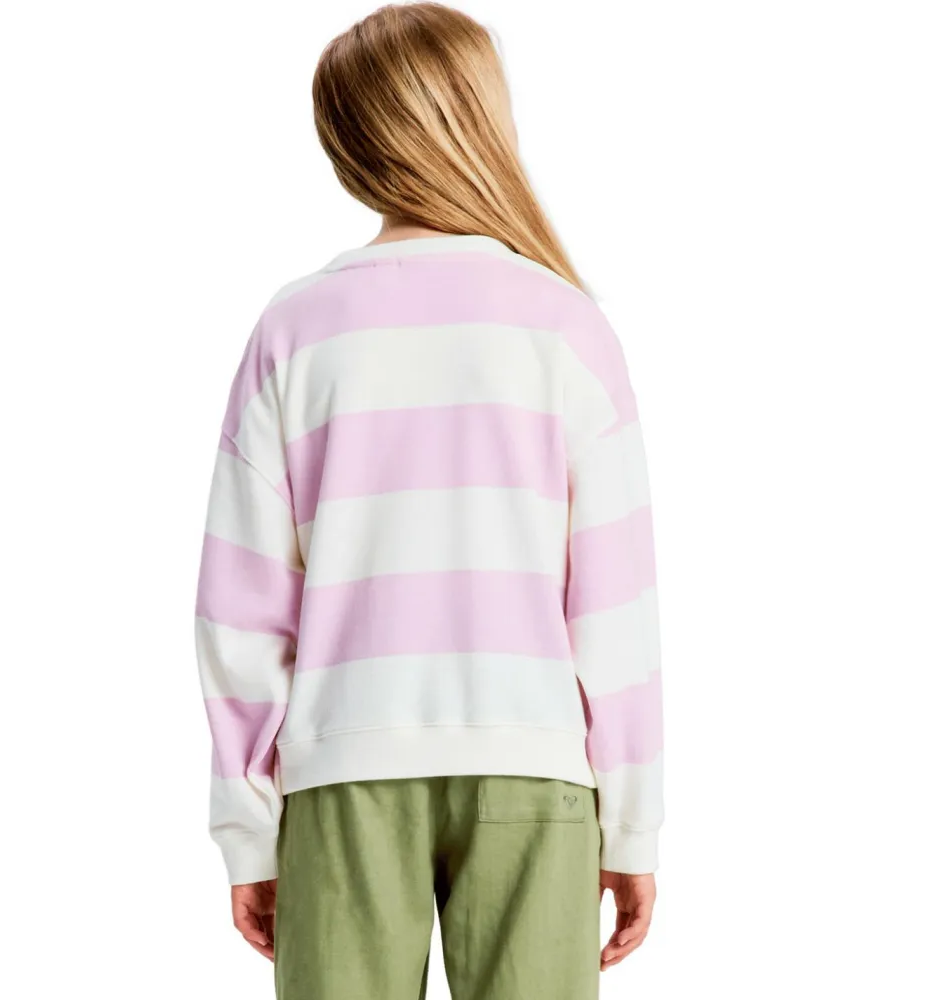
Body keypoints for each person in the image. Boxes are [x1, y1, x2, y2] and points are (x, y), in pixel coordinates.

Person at [194, 3, 663, 997]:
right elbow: (614, 606)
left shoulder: (296, 329)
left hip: (343, 768)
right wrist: (631, 822)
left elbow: (240, 609)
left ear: (347, 142)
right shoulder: (565, 327)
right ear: (484, 117)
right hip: (533, 764)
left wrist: (249, 827)